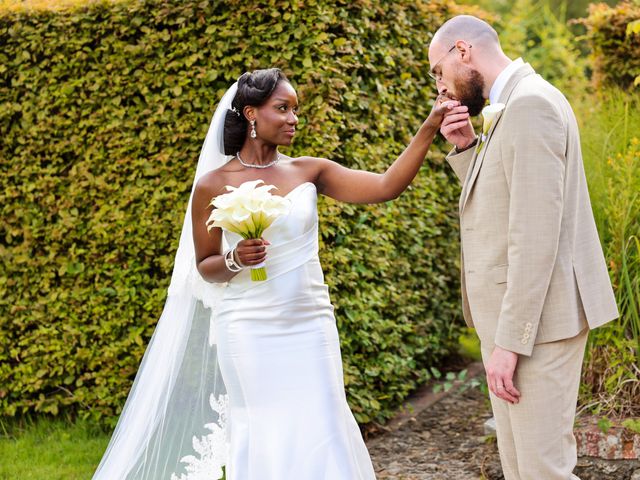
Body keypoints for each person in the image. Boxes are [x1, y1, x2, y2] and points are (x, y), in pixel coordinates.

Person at [92, 67, 465, 480]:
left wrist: (430, 126)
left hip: (309, 324)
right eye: (282, 108)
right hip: (248, 328)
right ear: (251, 114)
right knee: (266, 429)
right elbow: (205, 268)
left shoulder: (309, 170)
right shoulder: (212, 185)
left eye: (296, 110)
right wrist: (237, 260)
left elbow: (385, 186)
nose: (293, 118)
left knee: (322, 424)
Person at [430, 15, 618, 480]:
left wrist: (510, 343)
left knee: (541, 470)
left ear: (463, 51)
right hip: (517, 323)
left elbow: (536, 234)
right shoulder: (511, 103)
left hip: (538, 325)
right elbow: (504, 195)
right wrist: (467, 148)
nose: (441, 88)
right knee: (520, 469)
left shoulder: (530, 104)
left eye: (438, 71)